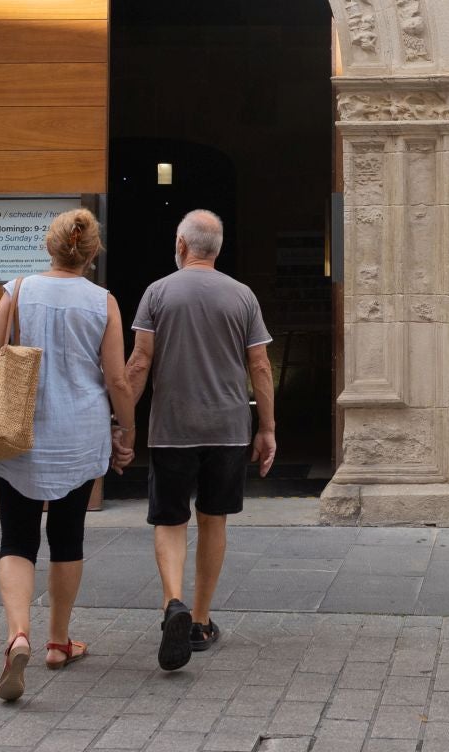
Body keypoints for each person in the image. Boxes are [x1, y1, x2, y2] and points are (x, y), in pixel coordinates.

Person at [0, 208, 136, 702]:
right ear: (92, 252)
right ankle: (59, 642)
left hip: (18, 430)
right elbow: (118, 379)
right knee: (68, 535)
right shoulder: (103, 302)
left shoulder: (17, 290)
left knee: (16, 537)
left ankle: (17, 634)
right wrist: (126, 430)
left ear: (50, 246)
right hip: (80, 433)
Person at [124, 209, 276, 672]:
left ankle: (173, 602)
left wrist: (121, 424)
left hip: (172, 429)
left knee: (170, 521)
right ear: (217, 248)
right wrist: (267, 428)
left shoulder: (157, 293)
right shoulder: (242, 296)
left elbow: (139, 364)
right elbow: (261, 368)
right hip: (228, 428)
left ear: (181, 244)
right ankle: (201, 621)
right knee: (213, 521)